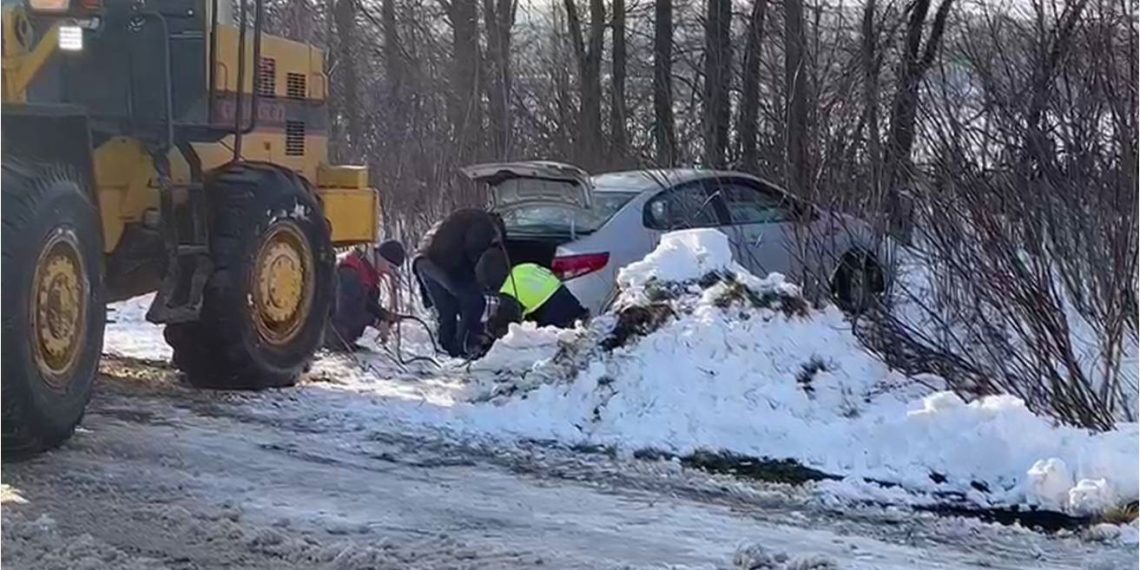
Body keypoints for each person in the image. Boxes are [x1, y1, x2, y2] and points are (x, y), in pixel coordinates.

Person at [412, 208, 506, 357]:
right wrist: (473, 280)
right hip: (442, 263)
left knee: (447, 308)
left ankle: (448, 349)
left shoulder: (459, 219)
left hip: (422, 262)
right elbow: (473, 248)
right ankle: (467, 346)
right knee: (474, 302)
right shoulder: (484, 224)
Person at [475, 247, 588, 329]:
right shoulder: (522, 268)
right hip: (574, 307)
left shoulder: (509, 293)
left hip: (559, 322)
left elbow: (505, 327)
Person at [325, 240, 406, 351]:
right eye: (390, 267)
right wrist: (376, 322)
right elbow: (347, 311)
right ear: (380, 257)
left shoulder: (365, 270)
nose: (388, 272)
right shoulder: (350, 271)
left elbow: (365, 302)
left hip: (339, 335)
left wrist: (385, 316)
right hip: (330, 336)